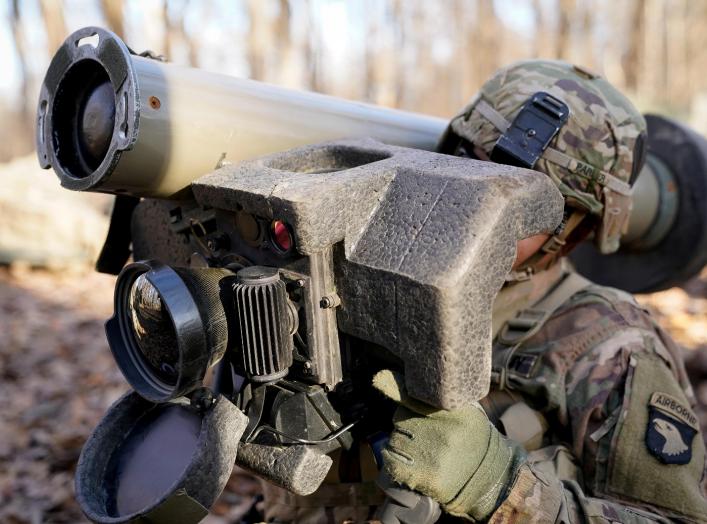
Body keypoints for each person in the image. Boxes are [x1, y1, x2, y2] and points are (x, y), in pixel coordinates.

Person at [261, 60, 707, 523]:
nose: (475, 205)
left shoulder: (611, 347)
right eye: (468, 167)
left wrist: (500, 488)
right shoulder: (353, 272)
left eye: (524, 202)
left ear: (574, 232)